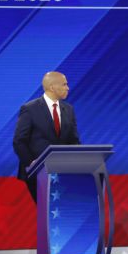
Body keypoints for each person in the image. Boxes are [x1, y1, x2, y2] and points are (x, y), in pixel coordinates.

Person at [12, 71, 80, 202]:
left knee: (63, 214)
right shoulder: (29, 109)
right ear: (52, 87)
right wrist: (32, 164)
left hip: (63, 171)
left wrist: (77, 162)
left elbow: (74, 140)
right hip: (38, 173)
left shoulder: (69, 109)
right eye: (64, 84)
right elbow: (19, 141)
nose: (68, 88)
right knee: (48, 214)